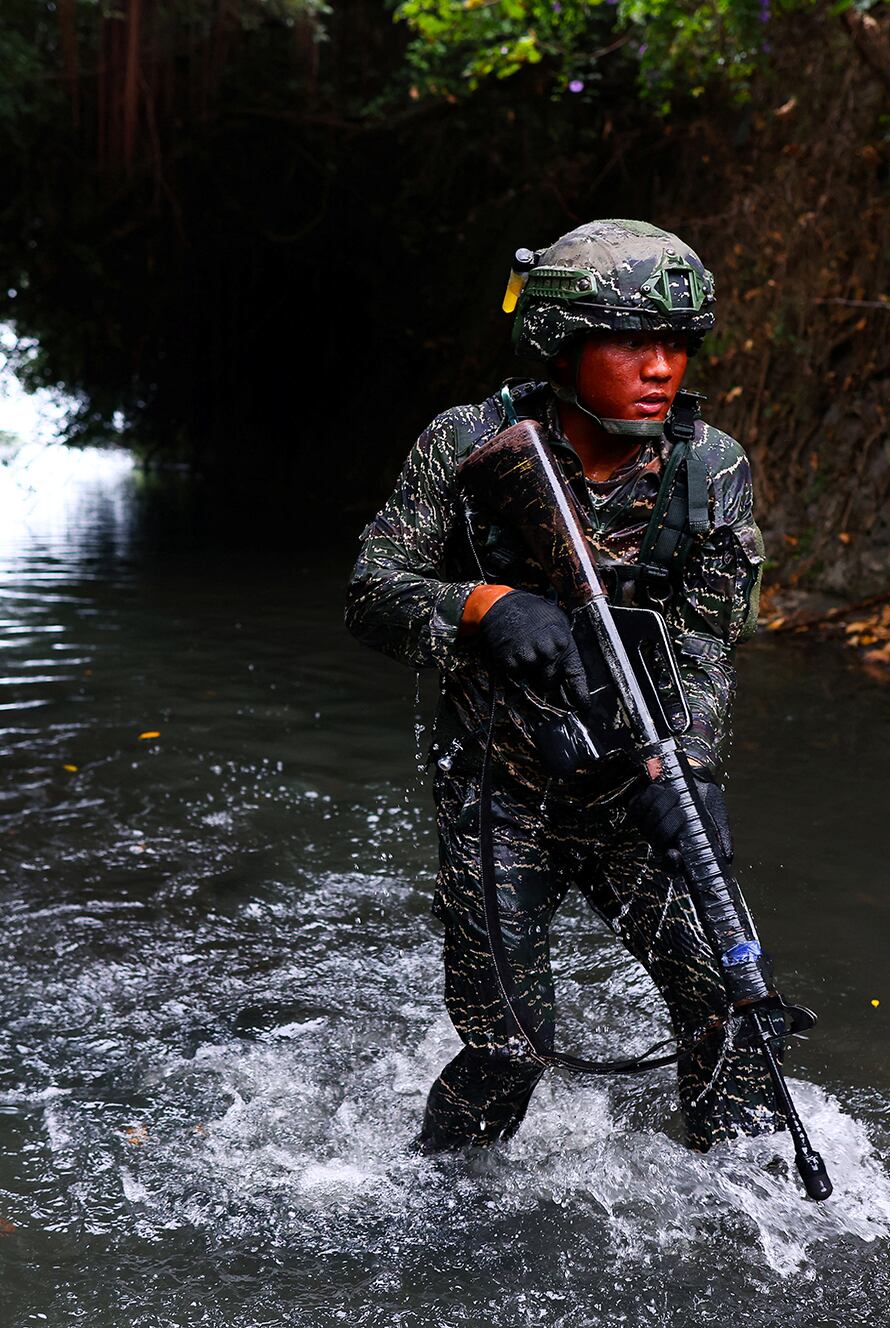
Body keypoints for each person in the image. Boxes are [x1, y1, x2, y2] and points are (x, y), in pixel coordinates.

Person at [346, 218, 780, 1153]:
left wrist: (692, 771)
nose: (661, 366)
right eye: (631, 341)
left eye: (676, 344)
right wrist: (483, 606)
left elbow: (707, 643)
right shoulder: (469, 443)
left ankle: (737, 1208)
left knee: (731, 1002)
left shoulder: (711, 470)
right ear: (561, 344)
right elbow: (371, 593)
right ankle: (441, 1215)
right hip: (500, 790)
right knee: (510, 1049)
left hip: (636, 777)